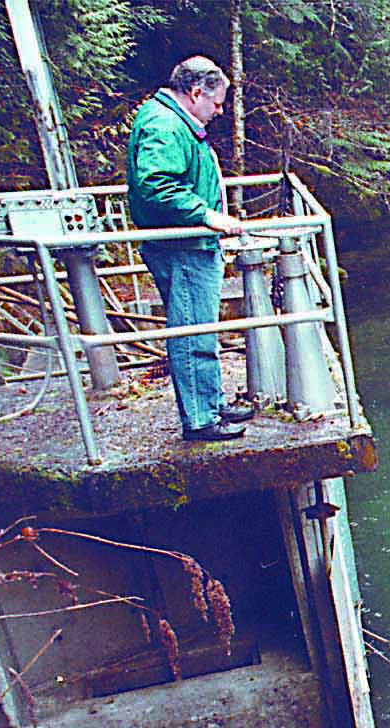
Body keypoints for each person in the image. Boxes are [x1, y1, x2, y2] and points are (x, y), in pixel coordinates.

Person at [125, 56, 253, 442]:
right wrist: (206, 215)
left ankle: (211, 404)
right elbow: (156, 184)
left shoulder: (173, 120)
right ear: (196, 92)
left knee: (202, 329)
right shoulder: (164, 124)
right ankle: (200, 419)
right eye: (216, 103)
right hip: (183, 248)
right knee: (191, 331)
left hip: (192, 244)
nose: (218, 112)